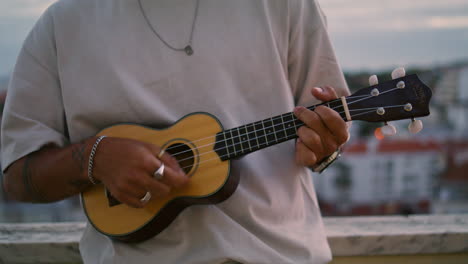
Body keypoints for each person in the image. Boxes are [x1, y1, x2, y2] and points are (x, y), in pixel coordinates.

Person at [1, 0, 350, 263]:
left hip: (279, 256)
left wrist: (325, 147)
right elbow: (17, 176)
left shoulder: (285, 4)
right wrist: (95, 157)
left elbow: (325, 139)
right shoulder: (63, 24)